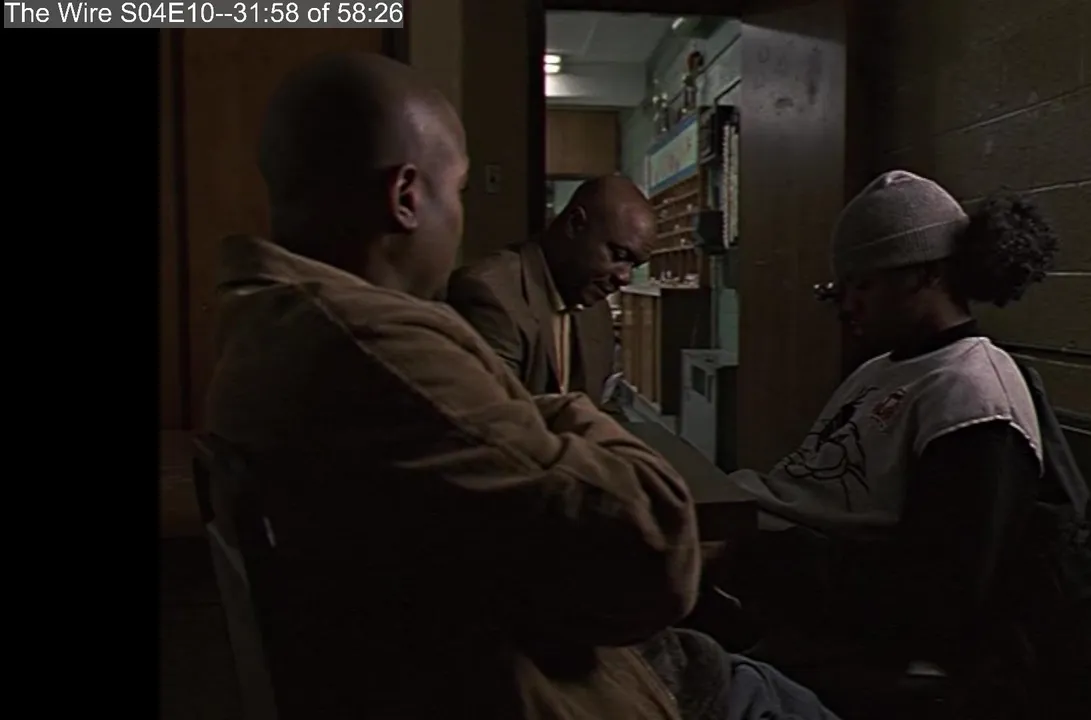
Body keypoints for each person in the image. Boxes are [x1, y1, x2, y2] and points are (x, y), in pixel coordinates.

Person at [205, 52, 840, 720]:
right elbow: (647, 549)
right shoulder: (376, 349)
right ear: (406, 197)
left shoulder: (275, 324)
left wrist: (551, 421)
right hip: (550, 682)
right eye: (459, 190)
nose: (461, 217)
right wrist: (569, 416)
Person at [719, 170, 1091, 714]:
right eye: (841, 288)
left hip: (844, 647)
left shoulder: (969, 394)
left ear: (926, 274)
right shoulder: (882, 368)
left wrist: (750, 559)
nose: (846, 305)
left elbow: (936, 598)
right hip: (767, 579)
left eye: (862, 285)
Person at [447, 176, 656, 405]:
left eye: (633, 266)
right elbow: (494, 416)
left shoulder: (597, 311)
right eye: (619, 255)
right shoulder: (488, 293)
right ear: (575, 224)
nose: (624, 278)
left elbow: (601, 408)